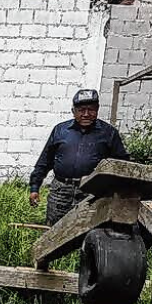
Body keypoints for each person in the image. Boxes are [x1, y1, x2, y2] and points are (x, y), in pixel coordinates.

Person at [28, 88, 130, 226]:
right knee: (54, 230)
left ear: (98, 109)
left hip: (91, 191)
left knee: (87, 229)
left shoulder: (109, 133)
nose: (86, 114)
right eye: (81, 110)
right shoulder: (60, 130)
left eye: (91, 109)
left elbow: (122, 165)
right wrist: (35, 188)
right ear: (73, 111)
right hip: (60, 191)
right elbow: (45, 161)